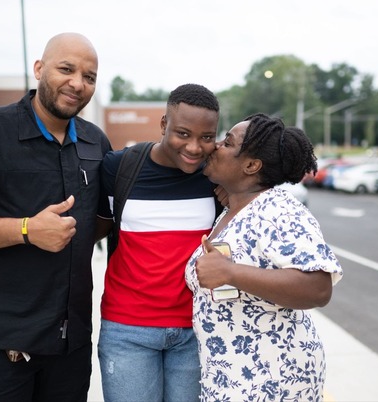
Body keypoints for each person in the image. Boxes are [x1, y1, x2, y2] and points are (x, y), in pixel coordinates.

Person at [0, 32, 111, 402]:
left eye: (89, 77)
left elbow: (98, 221)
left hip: (70, 345)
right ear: (39, 69)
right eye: (66, 69)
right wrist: (27, 229)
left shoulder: (96, 142)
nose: (77, 83)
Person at [185, 113, 343, 402]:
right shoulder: (233, 208)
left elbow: (318, 288)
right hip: (233, 374)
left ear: (251, 165)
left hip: (273, 378)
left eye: (228, 142)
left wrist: (231, 273)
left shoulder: (280, 211)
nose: (216, 145)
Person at [98, 83, 221, 401]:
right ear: (164, 125)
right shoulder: (119, 167)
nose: (195, 147)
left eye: (206, 137)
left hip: (196, 329)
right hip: (127, 330)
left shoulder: (215, 177)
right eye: (183, 133)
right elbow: (94, 229)